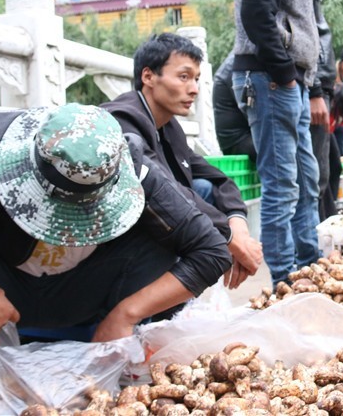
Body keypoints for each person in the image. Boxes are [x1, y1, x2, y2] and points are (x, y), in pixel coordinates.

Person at [0, 104, 233, 406]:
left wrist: (126, 314)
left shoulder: (131, 165)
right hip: (1, 297)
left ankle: (116, 360)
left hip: (85, 296)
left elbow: (211, 251)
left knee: (165, 244)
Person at [231, 0, 331, 284]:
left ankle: (310, 267)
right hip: (271, 79)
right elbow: (257, 14)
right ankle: (286, 281)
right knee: (281, 185)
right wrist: (287, 75)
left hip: (289, 80)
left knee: (307, 181)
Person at [103, 35, 262, 290]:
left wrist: (237, 224)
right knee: (199, 220)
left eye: (197, 79)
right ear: (148, 76)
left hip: (149, 229)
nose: (195, 89)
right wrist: (229, 237)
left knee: (204, 190)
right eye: (184, 77)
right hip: (111, 249)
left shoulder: (168, 127)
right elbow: (166, 191)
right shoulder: (123, 121)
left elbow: (218, 178)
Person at [305, 0, 343, 222]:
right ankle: (315, 241)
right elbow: (309, 39)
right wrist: (316, 89)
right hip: (313, 91)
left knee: (328, 164)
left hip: (319, 91)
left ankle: (323, 227)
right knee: (316, 173)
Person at [212, 51, 257, 162]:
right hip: (238, 141)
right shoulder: (236, 66)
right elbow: (254, 113)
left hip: (249, 134)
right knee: (282, 146)